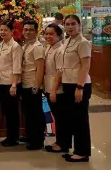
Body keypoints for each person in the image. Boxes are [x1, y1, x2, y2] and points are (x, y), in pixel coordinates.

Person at [60, 15, 92, 163]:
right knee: (72, 118)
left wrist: (80, 87)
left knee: (80, 119)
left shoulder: (83, 43)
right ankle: (76, 149)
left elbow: (85, 65)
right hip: (67, 83)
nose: (70, 27)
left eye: (73, 24)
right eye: (67, 24)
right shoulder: (67, 41)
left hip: (79, 84)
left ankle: (83, 152)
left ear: (79, 25)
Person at [0, 19, 23, 147]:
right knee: (6, 111)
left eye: (5, 30)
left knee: (12, 112)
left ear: (12, 32)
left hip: (10, 83)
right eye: (1, 30)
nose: (2, 32)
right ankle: (10, 136)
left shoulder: (15, 46)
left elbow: (17, 67)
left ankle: (13, 137)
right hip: (0, 82)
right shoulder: (1, 45)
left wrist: (14, 85)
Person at [43, 24, 68, 154]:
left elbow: (59, 72)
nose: (48, 36)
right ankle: (60, 141)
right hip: (48, 87)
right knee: (57, 116)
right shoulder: (49, 48)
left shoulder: (60, 50)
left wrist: (53, 90)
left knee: (61, 118)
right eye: (46, 34)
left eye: (51, 34)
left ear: (59, 35)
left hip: (57, 89)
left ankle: (62, 144)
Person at [21, 20, 46, 150]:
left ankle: (37, 140)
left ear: (36, 32)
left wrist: (37, 85)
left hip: (33, 85)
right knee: (28, 113)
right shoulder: (26, 45)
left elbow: (40, 68)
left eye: (31, 30)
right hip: (25, 84)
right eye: (25, 29)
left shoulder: (37, 47)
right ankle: (30, 136)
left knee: (35, 114)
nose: (27, 32)